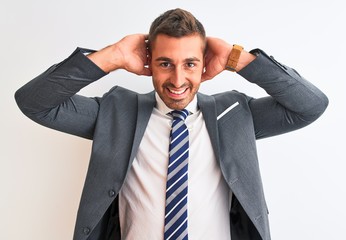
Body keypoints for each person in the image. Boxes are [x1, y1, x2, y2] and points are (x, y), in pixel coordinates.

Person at [15, 8, 328, 240]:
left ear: (204, 62)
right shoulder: (115, 112)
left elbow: (310, 106)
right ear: (150, 61)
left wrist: (238, 59)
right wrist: (113, 56)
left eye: (190, 63)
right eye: (165, 64)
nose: (178, 80)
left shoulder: (235, 114)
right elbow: (34, 102)